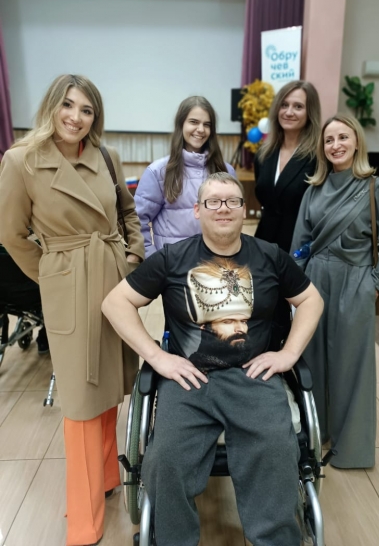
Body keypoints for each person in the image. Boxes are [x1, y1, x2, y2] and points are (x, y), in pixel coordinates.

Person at [102, 172, 324, 546]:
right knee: (165, 459)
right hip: (189, 379)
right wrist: (158, 357)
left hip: (253, 377)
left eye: (232, 201)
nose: (223, 208)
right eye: (213, 202)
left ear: (243, 209)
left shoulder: (270, 255)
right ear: (197, 210)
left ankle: (275, 538)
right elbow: (115, 302)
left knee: (276, 450)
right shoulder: (172, 258)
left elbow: (310, 300)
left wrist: (289, 353)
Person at [0, 74, 144, 546]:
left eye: (86, 110)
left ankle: (107, 477)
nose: (75, 117)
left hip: (113, 278)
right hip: (68, 282)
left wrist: (133, 258)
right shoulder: (21, 160)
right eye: (68, 105)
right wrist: (53, 276)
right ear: (51, 106)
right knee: (81, 398)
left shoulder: (106, 155)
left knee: (111, 383)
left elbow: (127, 211)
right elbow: (10, 235)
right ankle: (84, 523)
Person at [291, 114, 379, 469]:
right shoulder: (313, 190)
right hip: (315, 282)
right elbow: (300, 246)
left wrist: (373, 283)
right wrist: (297, 289)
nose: (336, 145)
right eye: (329, 140)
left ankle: (351, 448)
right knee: (312, 359)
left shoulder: (376, 188)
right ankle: (315, 434)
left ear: (357, 142)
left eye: (343, 137)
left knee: (351, 365)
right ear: (322, 148)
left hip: (356, 282)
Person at [254, 80, 321, 351]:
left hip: (298, 246)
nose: (289, 112)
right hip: (264, 243)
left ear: (309, 113)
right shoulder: (264, 153)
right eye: (284, 105)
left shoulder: (318, 157)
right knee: (262, 314)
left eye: (298, 106)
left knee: (291, 320)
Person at [135, 96, 236, 258]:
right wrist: (154, 259)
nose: (200, 129)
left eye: (207, 124)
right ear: (181, 124)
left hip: (216, 263)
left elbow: (234, 219)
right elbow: (137, 221)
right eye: (194, 122)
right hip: (172, 266)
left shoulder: (226, 171)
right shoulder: (158, 172)